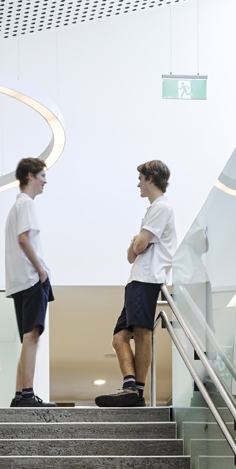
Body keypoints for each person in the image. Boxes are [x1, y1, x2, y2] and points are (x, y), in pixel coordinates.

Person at [96, 159, 177, 408]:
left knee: (143, 334)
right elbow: (132, 255)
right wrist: (137, 242)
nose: (138, 184)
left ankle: (137, 392)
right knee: (119, 338)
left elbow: (138, 246)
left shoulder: (161, 208)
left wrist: (138, 240)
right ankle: (130, 387)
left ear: (150, 179)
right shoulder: (153, 210)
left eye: (141, 179)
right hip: (137, 278)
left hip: (147, 278)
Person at [3, 155, 54, 408]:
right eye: (42, 175)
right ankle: (27, 394)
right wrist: (41, 270)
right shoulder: (26, 205)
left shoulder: (15, 207)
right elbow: (24, 239)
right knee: (33, 336)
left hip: (19, 281)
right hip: (31, 279)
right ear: (30, 176)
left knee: (27, 337)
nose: (46, 181)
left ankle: (19, 393)